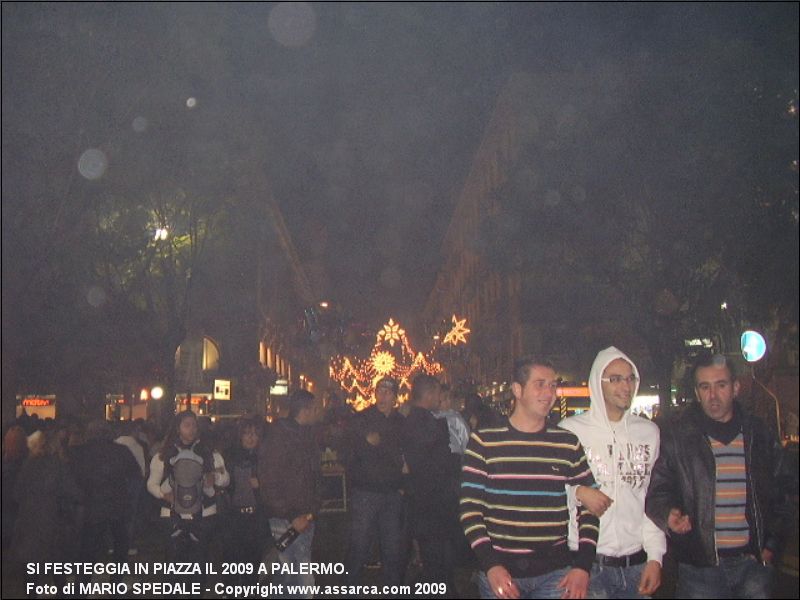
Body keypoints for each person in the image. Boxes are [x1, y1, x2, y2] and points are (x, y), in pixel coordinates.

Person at [645, 353, 789, 598]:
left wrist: (771, 545)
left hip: (753, 564)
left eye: (721, 385)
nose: (713, 395)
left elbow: (783, 492)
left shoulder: (759, 435)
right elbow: (657, 490)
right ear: (697, 392)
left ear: (735, 388)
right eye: (705, 387)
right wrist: (670, 515)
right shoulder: (679, 437)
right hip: (700, 570)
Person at [460, 356, 600, 599]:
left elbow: (590, 507)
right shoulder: (485, 440)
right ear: (517, 390)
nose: (549, 393)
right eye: (540, 384)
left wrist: (582, 566)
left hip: (555, 574)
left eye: (553, 385)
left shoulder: (566, 442)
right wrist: (490, 564)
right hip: (500, 572)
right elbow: (470, 509)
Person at [560, 347, 665, 598]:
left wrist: (655, 557)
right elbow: (550, 490)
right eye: (615, 379)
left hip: (636, 564)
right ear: (598, 383)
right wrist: (577, 493)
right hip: (588, 564)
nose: (625, 386)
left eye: (630, 378)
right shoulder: (571, 431)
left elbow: (652, 496)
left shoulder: (649, 433)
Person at [258, 390, 321, 597]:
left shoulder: (304, 435)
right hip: (288, 518)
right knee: (299, 580)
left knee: (290, 578)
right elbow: (270, 481)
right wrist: (292, 514)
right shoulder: (281, 437)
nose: (317, 412)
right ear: (305, 410)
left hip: (301, 515)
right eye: (314, 408)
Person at [344, 377, 407, 586]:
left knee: (392, 548)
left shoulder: (401, 422)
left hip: (391, 493)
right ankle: (348, 587)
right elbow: (348, 451)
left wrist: (402, 485)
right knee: (359, 545)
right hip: (366, 493)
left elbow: (406, 453)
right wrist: (365, 443)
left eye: (388, 392)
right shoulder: (362, 419)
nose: (383, 396)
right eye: (380, 390)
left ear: (395, 396)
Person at [402, 373, 461, 595]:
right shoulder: (427, 423)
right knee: (438, 561)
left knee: (436, 560)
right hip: (433, 504)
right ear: (428, 394)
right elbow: (438, 463)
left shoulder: (415, 421)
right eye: (437, 392)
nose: (440, 397)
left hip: (424, 503)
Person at [147, 410, 221, 569]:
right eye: (187, 425)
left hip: (204, 514)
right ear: (177, 428)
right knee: (174, 566)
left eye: (194, 425)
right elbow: (151, 484)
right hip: (172, 516)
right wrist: (163, 495)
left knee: (199, 565)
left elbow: (224, 477)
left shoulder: (209, 453)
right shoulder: (163, 455)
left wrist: (215, 479)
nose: (192, 429)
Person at [71, 419, 142, 581]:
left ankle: (82, 587)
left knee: (87, 552)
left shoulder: (80, 452)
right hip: (117, 505)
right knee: (120, 549)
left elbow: (73, 479)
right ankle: (116, 585)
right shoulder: (121, 451)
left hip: (92, 506)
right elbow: (135, 475)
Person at [222, 417, 267, 588]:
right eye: (247, 434)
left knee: (253, 561)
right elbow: (224, 484)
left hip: (255, 517)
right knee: (231, 561)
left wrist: (261, 485)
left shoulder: (263, 458)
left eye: (255, 434)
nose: (251, 438)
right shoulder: (230, 457)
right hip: (233, 516)